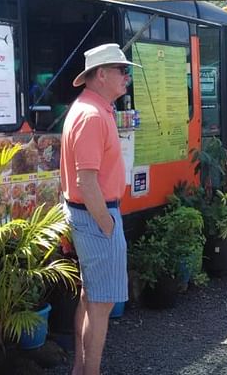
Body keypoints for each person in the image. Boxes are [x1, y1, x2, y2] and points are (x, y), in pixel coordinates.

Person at [61, 42, 141, 375]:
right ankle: (89, 371)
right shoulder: (92, 115)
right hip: (96, 216)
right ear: (101, 74)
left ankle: (81, 369)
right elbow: (86, 181)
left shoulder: (90, 108)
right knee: (101, 304)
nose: (127, 77)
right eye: (122, 71)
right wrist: (107, 224)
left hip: (88, 215)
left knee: (91, 296)